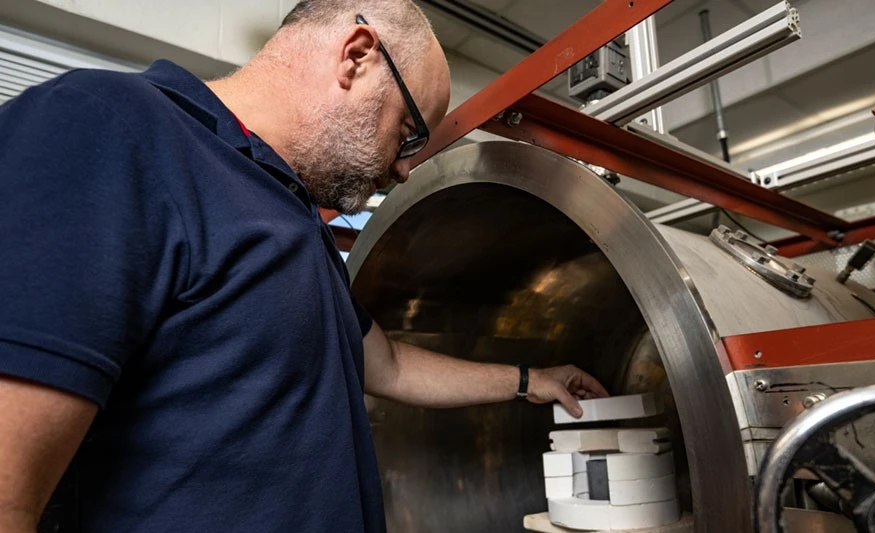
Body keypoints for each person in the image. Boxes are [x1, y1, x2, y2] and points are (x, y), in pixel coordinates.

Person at [0, 1, 608, 531]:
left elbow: (389, 365)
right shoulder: (110, 129)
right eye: (409, 133)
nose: (402, 169)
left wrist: (531, 379)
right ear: (358, 56)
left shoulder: (289, 213)